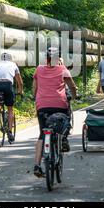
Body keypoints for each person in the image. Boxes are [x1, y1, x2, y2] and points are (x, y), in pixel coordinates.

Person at [32, 47, 77, 178]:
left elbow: (34, 87)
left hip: (42, 106)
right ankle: (63, 138)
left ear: (46, 58)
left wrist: (35, 97)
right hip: (59, 105)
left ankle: (37, 165)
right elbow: (72, 86)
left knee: (42, 134)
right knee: (65, 119)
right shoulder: (63, 69)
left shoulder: (39, 69)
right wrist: (74, 96)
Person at [0, 52, 24, 143]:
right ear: (10, 59)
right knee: (10, 109)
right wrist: (20, 91)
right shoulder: (13, 65)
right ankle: (10, 132)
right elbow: (20, 82)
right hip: (7, 85)